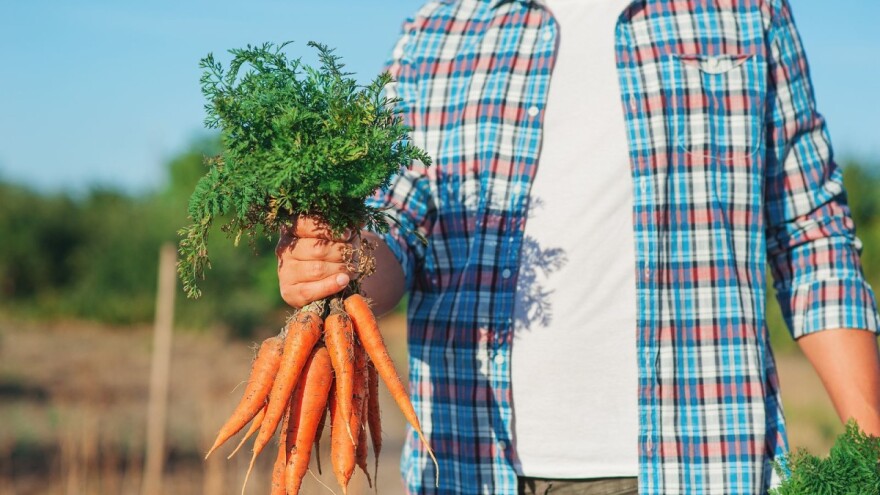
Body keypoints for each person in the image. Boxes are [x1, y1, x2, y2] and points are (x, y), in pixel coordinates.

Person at [275, 0, 880, 493]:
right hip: (471, 468)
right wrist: (334, 262)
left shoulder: (745, 12)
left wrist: (870, 442)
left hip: (707, 463)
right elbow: (396, 230)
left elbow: (810, 232)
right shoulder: (439, 29)